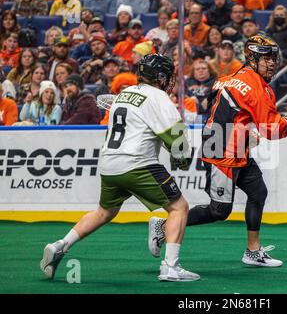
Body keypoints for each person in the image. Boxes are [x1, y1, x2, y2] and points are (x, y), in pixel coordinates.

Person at [148, 35, 287, 268]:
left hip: (229, 145)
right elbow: (272, 130)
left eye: (273, 58)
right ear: (252, 58)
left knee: (258, 193)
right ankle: (162, 227)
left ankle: (253, 252)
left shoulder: (229, 77)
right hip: (222, 152)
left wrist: (245, 129)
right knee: (219, 211)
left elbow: (214, 106)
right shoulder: (259, 87)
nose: (272, 63)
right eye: (266, 58)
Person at [40, 54, 200, 282]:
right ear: (161, 76)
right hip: (137, 163)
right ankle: (170, 267)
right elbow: (177, 138)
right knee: (179, 207)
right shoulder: (159, 97)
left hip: (109, 163)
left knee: (104, 212)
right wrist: (183, 158)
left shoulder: (124, 93)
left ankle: (60, 245)